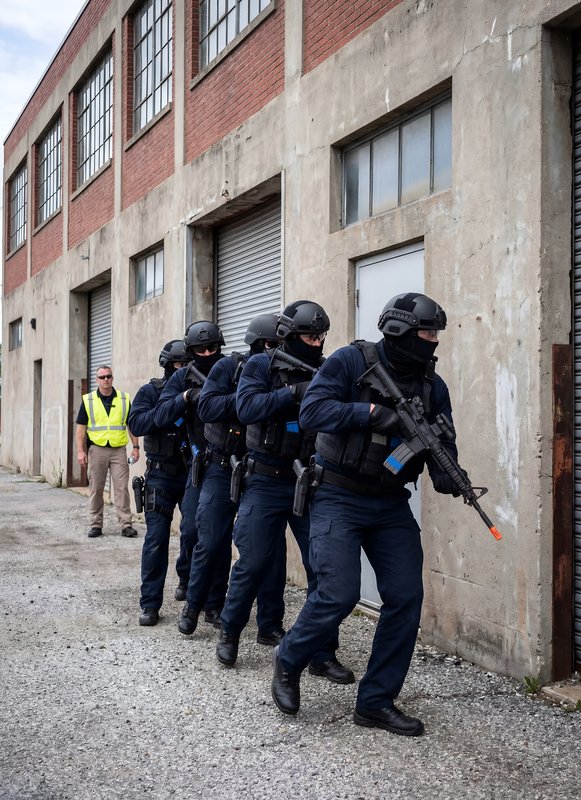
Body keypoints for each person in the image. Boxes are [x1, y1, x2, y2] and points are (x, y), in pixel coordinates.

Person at [271, 292, 461, 737]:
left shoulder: (433, 386)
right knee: (338, 594)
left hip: (391, 501)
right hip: (338, 494)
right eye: (426, 333)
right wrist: (374, 413)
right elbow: (314, 411)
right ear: (399, 332)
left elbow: (443, 440)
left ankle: (375, 701)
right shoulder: (350, 362)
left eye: (435, 334)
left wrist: (449, 471)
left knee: (405, 597)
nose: (433, 342)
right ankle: (290, 657)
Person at [216, 300, 354, 686]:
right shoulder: (261, 365)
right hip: (264, 479)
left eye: (321, 336)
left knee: (323, 571)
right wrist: (295, 393)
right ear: (289, 336)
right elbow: (246, 409)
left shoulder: (326, 366)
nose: (317, 342)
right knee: (254, 561)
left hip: (309, 481)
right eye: (310, 336)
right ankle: (230, 632)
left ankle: (322, 654)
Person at [178, 314, 287, 641]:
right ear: (254, 344)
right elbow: (208, 408)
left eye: (279, 345)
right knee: (208, 541)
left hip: (261, 473)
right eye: (269, 345)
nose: (274, 351)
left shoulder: (282, 375)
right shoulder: (230, 368)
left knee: (271, 551)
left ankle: (269, 625)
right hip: (221, 468)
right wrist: (248, 401)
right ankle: (193, 607)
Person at [153, 321, 230, 622]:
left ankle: (214, 603)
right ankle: (189, 588)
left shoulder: (231, 369)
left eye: (212, 348)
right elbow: (158, 415)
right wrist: (185, 398)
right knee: (193, 532)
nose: (208, 353)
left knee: (220, 539)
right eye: (201, 349)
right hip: (200, 464)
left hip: (232, 463)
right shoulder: (184, 376)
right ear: (191, 351)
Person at [128, 340, 192, 626]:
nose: (185, 370)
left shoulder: (200, 390)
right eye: (180, 366)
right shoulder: (150, 391)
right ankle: (150, 604)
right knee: (156, 540)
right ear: (168, 366)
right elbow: (137, 424)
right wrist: (172, 407)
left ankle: (187, 580)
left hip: (192, 472)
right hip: (160, 474)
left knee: (195, 532)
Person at [76, 365, 139, 538]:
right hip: (97, 450)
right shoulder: (88, 400)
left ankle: (126, 524)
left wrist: (135, 447)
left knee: (121, 488)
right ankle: (95, 524)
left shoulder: (124, 399)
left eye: (108, 376)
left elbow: (131, 425)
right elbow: (81, 429)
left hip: (118, 450)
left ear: (112, 378)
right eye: (102, 377)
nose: (106, 380)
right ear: (97, 379)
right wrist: (81, 451)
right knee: (96, 488)